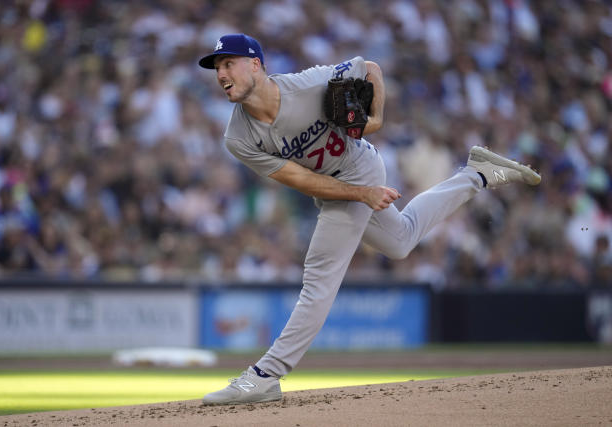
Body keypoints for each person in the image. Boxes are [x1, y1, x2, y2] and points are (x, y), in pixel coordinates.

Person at [197, 34, 541, 405]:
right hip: (340, 185)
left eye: (228, 63)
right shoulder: (238, 136)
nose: (221, 73)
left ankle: (264, 376)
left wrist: (375, 117)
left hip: (358, 166)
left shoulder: (308, 85)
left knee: (319, 278)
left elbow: (369, 68)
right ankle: (478, 173)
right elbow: (297, 179)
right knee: (401, 241)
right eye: (217, 67)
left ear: (255, 65)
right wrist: (362, 194)